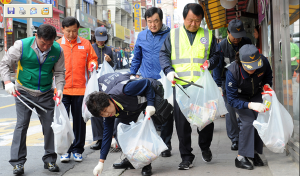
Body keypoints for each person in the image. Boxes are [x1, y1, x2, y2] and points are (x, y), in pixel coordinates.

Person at [159, 3, 220, 170]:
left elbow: (216, 54)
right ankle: (186, 157)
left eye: (197, 21)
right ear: (184, 18)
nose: (194, 24)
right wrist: (169, 71)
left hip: (202, 87)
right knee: (182, 124)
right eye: (190, 20)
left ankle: (205, 146)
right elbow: (163, 54)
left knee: (206, 120)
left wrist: (211, 62)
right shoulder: (173, 35)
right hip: (181, 87)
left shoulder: (207, 35)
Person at [0, 24, 65, 174]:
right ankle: (18, 163)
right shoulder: (21, 45)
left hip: (46, 92)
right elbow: (4, 63)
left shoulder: (57, 49)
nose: (46, 47)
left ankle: (50, 160)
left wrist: (60, 89)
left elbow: (60, 72)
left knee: (50, 126)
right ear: (36, 36)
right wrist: (8, 82)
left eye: (50, 44)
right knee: (21, 126)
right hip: (24, 91)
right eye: (43, 43)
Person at [86, 72, 158, 176]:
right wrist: (101, 162)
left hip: (144, 104)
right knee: (122, 134)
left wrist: (150, 104)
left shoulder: (126, 90)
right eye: (103, 114)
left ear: (109, 100)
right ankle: (131, 160)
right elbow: (107, 135)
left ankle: (146, 165)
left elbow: (146, 83)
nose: (107, 114)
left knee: (141, 134)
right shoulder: (109, 114)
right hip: (127, 109)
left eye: (106, 110)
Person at [128, 7, 172, 158]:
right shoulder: (141, 36)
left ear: (161, 20)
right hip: (146, 82)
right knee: (148, 113)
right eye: (149, 22)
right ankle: (151, 144)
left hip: (164, 81)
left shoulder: (170, 34)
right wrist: (132, 74)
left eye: (156, 21)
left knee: (166, 113)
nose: (153, 25)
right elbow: (137, 57)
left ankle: (166, 145)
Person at [56, 16, 98, 163]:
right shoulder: (57, 45)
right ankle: (65, 151)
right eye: (68, 31)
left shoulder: (86, 44)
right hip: (63, 89)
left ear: (78, 29)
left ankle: (78, 150)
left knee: (80, 121)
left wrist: (93, 64)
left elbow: (93, 59)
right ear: (62, 29)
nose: (71, 34)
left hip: (81, 89)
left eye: (74, 31)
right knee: (64, 121)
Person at [226, 44, 273, 170]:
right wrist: (250, 105)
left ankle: (253, 153)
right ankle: (240, 157)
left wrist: (267, 85)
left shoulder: (263, 61)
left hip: (257, 93)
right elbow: (231, 100)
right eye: (249, 67)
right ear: (241, 62)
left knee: (259, 120)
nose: (253, 70)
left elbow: (268, 76)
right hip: (240, 97)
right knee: (248, 122)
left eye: (255, 66)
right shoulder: (232, 71)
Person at [213, 19, 252, 151]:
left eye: (239, 36)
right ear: (228, 33)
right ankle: (234, 139)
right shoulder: (222, 46)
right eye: (234, 36)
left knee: (245, 108)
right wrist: (218, 85)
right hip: (227, 81)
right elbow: (217, 68)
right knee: (230, 110)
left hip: (245, 80)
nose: (237, 39)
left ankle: (245, 136)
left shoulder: (247, 42)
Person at [89, 27, 114, 150]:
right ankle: (99, 138)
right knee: (95, 109)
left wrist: (109, 61)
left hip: (106, 83)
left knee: (108, 108)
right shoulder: (91, 48)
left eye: (103, 40)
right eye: (99, 40)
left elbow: (113, 66)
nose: (101, 42)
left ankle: (110, 137)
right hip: (94, 82)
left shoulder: (109, 49)